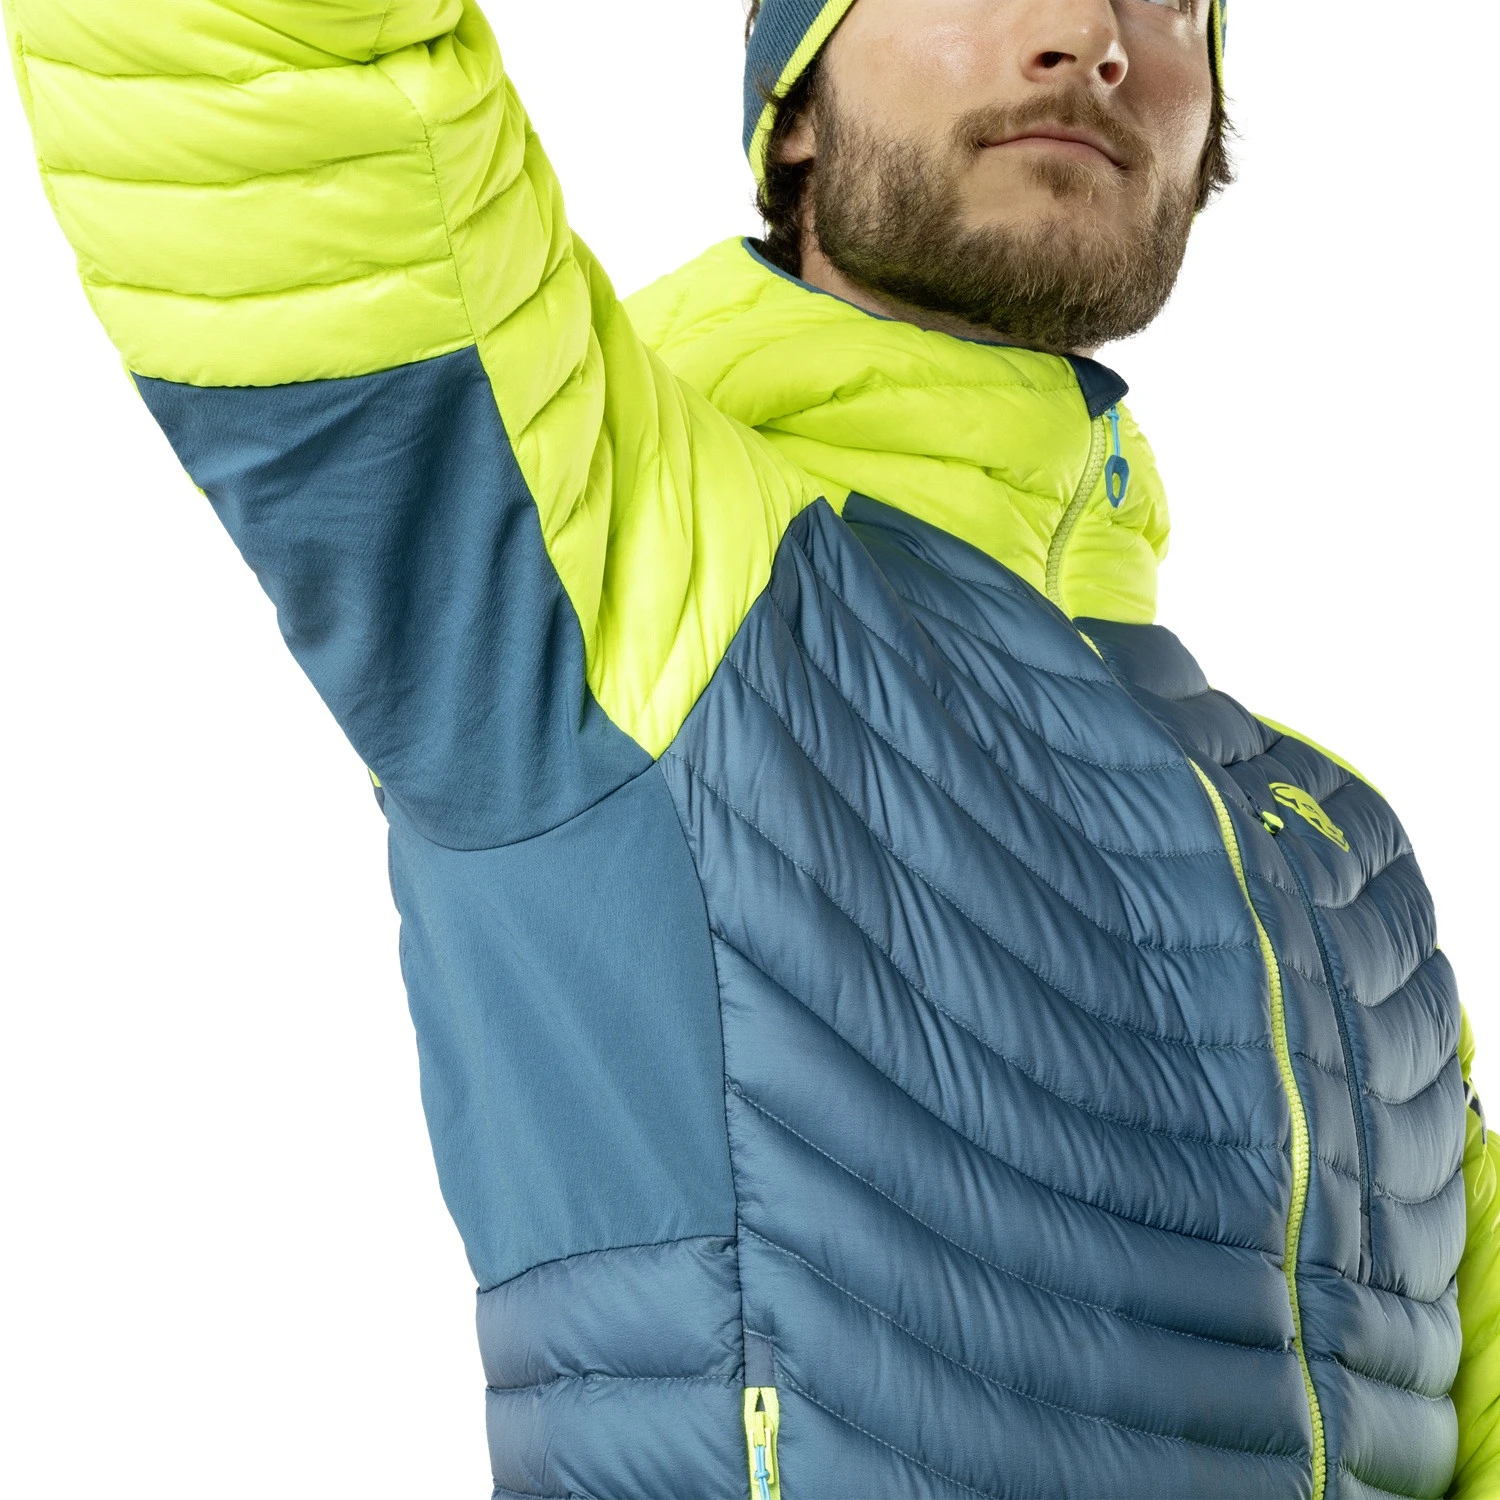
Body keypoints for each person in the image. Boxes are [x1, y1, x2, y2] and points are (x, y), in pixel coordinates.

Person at [4, 0, 1497, 1495]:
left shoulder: (1338, 851)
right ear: (792, 108)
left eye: (1169, 2)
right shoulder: (622, 560)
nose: (1088, 34)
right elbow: (245, 63)